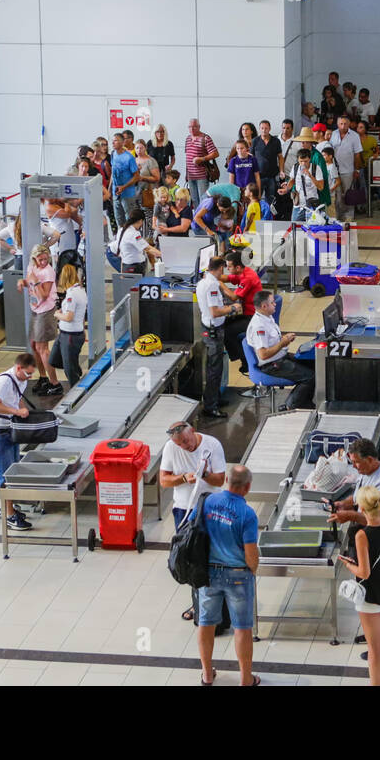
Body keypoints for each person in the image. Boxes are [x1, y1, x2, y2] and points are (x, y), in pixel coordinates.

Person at [196, 465, 260, 686]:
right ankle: (245, 679)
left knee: (206, 623)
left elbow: (194, 532)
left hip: (209, 573)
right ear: (247, 487)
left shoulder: (208, 502)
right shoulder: (247, 514)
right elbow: (251, 552)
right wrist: (252, 569)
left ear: (226, 481)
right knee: (242, 627)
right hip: (238, 575)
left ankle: (206, 674)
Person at [160, 419, 228, 625]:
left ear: (194, 432)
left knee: (214, 556)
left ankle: (221, 603)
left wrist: (204, 474)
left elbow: (220, 480)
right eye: (180, 444)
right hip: (184, 508)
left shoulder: (212, 445)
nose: (185, 447)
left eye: (187, 442)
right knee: (190, 556)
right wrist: (183, 478)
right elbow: (164, 480)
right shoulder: (171, 447)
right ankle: (198, 603)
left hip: (210, 506)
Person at [338, 485, 380, 685]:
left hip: (370, 596)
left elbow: (364, 572)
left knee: (375, 647)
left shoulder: (362, 535)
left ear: (363, 510)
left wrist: (348, 565)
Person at [0, 353, 38, 531]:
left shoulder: (20, 380)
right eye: (27, 374)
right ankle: (9, 516)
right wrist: (16, 412)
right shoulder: (3, 382)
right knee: (5, 474)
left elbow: (18, 397)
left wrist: (21, 407)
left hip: (10, 428)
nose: (29, 377)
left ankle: (8, 507)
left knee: (13, 469)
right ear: (18, 368)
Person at [246, 288, 315, 410]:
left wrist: (284, 338)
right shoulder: (259, 326)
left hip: (280, 356)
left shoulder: (267, 317)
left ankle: (302, 400)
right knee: (310, 376)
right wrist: (282, 343)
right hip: (271, 364)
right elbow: (263, 354)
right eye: (272, 302)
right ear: (264, 306)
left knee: (314, 364)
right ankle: (292, 405)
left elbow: (272, 340)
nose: (275, 303)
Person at [328, 438, 380, 533]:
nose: (353, 466)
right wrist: (344, 504)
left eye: (356, 462)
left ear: (369, 460)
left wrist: (350, 516)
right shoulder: (365, 472)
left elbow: (379, 519)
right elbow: (357, 497)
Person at [197, 256, 241, 420]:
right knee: (214, 370)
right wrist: (232, 308)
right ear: (220, 268)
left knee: (216, 367)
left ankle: (214, 399)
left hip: (211, 327)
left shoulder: (204, 282)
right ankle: (210, 407)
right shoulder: (211, 286)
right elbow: (215, 311)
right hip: (213, 330)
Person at [16, 244, 63, 395]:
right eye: (40, 259)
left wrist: (35, 281)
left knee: (43, 349)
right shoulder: (32, 268)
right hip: (35, 310)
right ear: (34, 259)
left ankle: (55, 383)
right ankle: (43, 377)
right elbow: (29, 282)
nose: (43, 262)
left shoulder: (48, 272)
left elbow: (43, 295)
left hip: (45, 311)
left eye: (46, 258)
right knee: (34, 345)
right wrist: (22, 282)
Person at [53, 263, 87, 386]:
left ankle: (76, 393)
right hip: (66, 333)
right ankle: (75, 366)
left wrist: (57, 315)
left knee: (69, 370)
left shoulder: (72, 294)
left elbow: (68, 317)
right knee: (54, 359)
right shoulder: (79, 291)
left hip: (71, 335)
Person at [184, 119, 219, 210]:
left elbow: (215, 153)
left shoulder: (205, 138)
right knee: (194, 200)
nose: (192, 128)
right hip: (191, 175)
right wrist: (186, 174)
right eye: (190, 126)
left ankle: (203, 220)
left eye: (194, 126)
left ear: (199, 127)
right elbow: (187, 158)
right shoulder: (188, 139)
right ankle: (196, 220)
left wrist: (202, 159)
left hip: (202, 175)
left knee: (203, 199)